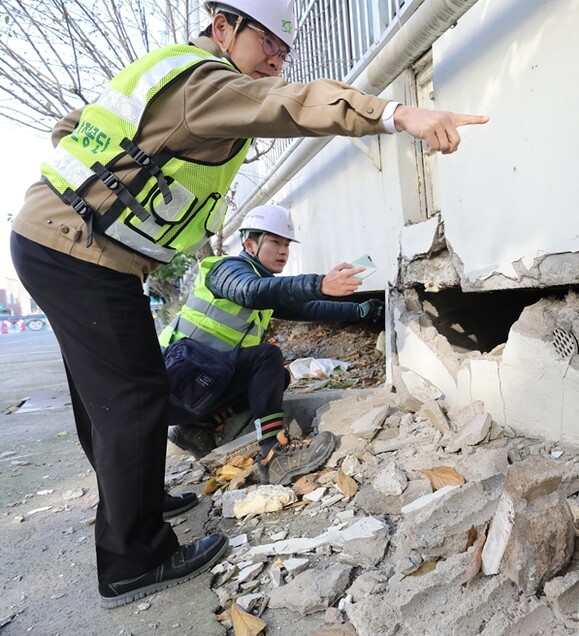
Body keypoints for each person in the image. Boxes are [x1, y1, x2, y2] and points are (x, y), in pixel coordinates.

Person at [9, 0, 486, 609]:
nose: (277, 61)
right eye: (269, 42)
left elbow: (73, 127)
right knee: (130, 400)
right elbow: (291, 107)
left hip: (69, 242)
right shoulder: (207, 91)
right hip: (81, 252)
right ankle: (133, 559)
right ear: (223, 26)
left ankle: (138, 502)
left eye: (286, 51)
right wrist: (396, 113)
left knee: (110, 392)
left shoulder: (170, 76)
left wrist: (362, 310)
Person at [161, 204, 383, 485]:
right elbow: (249, 291)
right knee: (267, 358)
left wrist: (361, 311)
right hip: (172, 384)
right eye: (275, 242)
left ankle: (197, 427)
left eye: (287, 244)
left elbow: (308, 309)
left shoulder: (261, 285)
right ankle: (274, 455)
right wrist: (320, 283)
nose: (283, 251)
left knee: (277, 377)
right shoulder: (225, 270)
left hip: (199, 387)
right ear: (249, 244)